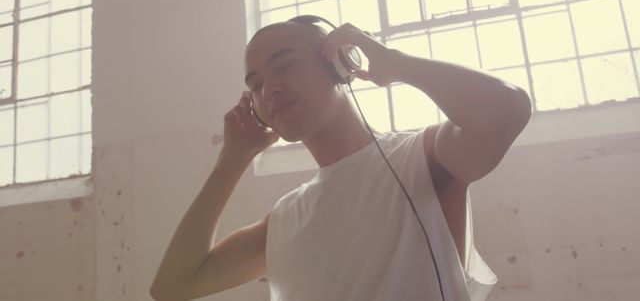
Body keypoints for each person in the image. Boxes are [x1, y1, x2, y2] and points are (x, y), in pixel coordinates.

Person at [150, 16, 532, 301]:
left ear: (341, 66)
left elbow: (508, 109)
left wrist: (396, 63)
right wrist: (233, 158)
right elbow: (173, 285)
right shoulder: (284, 220)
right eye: (255, 85)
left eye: (283, 66)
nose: (270, 89)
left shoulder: (421, 158)